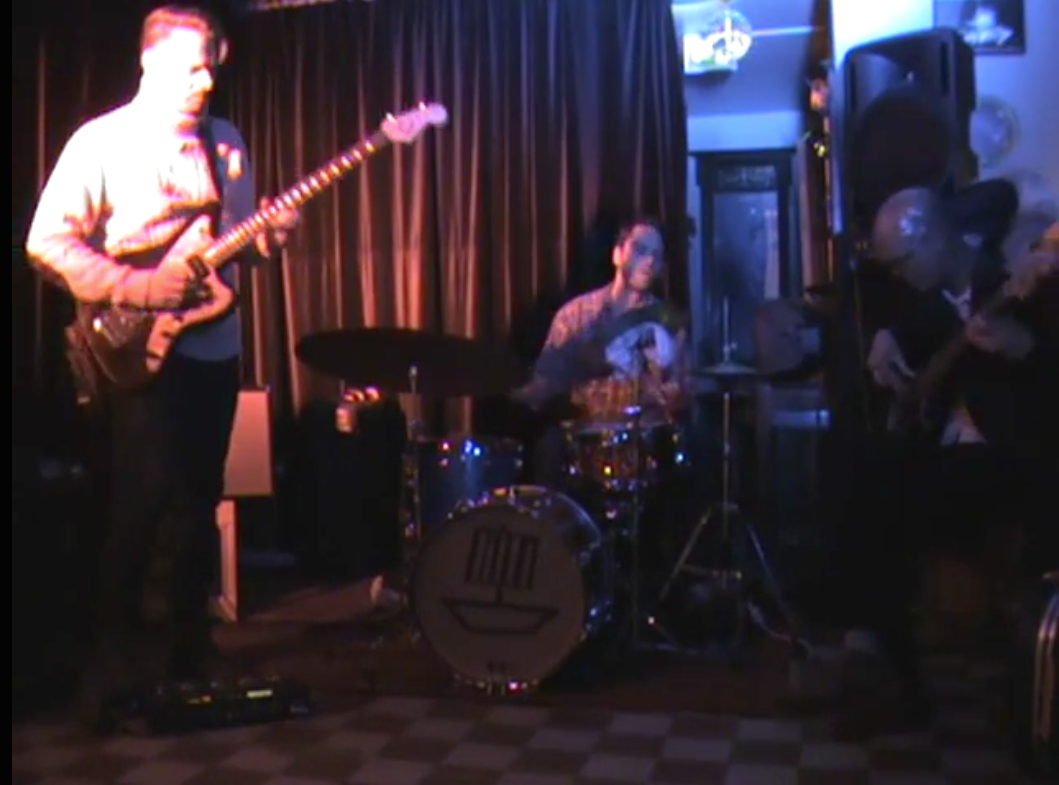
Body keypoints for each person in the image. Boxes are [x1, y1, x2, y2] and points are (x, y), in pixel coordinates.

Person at [23, 5, 299, 729]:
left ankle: (187, 651)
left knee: (198, 502)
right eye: (192, 68)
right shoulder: (102, 141)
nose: (206, 82)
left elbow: (229, 246)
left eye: (212, 68)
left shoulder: (226, 141)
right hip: (135, 347)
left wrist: (268, 240)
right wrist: (137, 286)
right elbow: (47, 242)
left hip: (214, 345)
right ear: (149, 62)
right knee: (139, 505)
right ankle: (114, 665)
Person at [836, 178, 1057, 738]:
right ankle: (879, 662)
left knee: (877, 499)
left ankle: (887, 670)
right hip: (950, 459)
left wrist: (1026, 349)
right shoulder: (933, 303)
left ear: (933, 239)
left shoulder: (1015, 285)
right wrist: (885, 337)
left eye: (901, 262)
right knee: (859, 478)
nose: (897, 276)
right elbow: (916, 334)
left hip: (1014, 465)